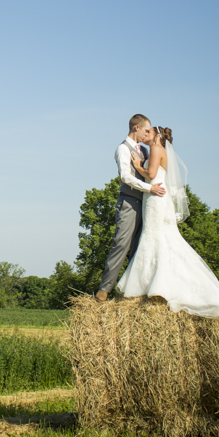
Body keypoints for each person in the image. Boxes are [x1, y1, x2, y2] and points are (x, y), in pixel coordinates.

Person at [116, 126, 219, 375]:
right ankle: (152, 283)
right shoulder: (159, 149)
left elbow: (150, 175)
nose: (146, 134)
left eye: (150, 131)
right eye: (145, 131)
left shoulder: (157, 150)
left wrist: (137, 165)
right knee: (155, 238)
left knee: (158, 238)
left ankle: (158, 285)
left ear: (158, 136)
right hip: (156, 199)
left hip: (157, 199)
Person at [95, 114, 166, 304]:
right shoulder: (122, 149)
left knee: (139, 247)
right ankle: (105, 289)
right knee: (121, 243)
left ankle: (130, 291)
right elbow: (125, 177)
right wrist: (149, 188)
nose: (147, 134)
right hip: (129, 201)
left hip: (146, 204)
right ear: (136, 128)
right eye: (146, 130)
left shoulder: (144, 149)